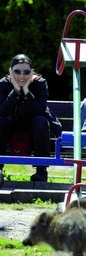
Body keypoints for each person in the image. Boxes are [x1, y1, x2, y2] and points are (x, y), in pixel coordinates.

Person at [0, 54, 60, 184]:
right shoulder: (3, 84)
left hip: (34, 129)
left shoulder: (39, 83)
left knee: (41, 122)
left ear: (31, 72)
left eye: (26, 72)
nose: (22, 76)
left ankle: (41, 171)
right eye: (17, 71)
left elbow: (40, 111)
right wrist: (16, 90)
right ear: (10, 71)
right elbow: (2, 111)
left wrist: (26, 90)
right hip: (10, 127)